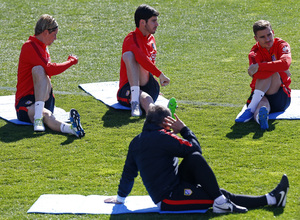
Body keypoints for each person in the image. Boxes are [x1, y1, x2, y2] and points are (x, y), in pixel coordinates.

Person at [105, 105, 289, 213]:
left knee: (202, 171)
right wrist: (184, 130)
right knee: (217, 190)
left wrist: (121, 197)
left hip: (171, 189)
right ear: (164, 124)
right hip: (170, 198)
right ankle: (261, 200)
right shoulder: (163, 137)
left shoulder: (136, 142)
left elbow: (129, 173)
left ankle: (269, 199)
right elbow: (196, 149)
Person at [15, 14, 85, 138]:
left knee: (41, 71)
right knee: (45, 115)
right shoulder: (29, 46)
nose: (55, 38)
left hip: (43, 99)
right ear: (46, 32)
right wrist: (71, 61)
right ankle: (72, 129)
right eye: (54, 35)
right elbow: (50, 69)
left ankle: (38, 117)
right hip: (26, 101)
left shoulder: (43, 47)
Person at [235, 20, 291, 130]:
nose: (268, 39)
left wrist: (261, 66)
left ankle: (250, 109)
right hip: (261, 94)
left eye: (269, 34)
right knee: (263, 105)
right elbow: (256, 74)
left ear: (273, 32)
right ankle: (260, 120)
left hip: (280, 95)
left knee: (272, 73)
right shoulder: (254, 53)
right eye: (262, 37)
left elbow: (285, 63)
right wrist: (277, 66)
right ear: (256, 39)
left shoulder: (281, 45)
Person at [117, 4, 170, 117]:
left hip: (149, 85)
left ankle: (138, 101)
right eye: (153, 21)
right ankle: (149, 110)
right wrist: (161, 75)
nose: (157, 24)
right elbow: (143, 59)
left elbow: (149, 63)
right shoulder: (131, 39)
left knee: (145, 95)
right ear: (142, 23)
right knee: (129, 55)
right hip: (128, 88)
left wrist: (157, 77)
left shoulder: (151, 38)